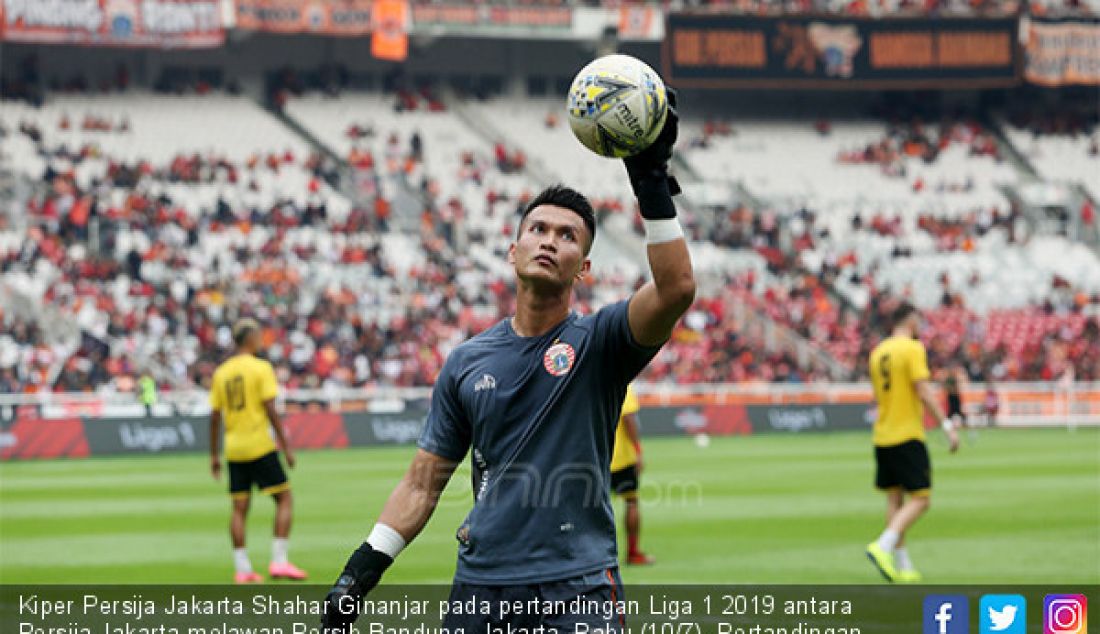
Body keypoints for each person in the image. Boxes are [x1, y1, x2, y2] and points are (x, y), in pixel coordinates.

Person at [322, 93, 693, 632]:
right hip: (483, 583)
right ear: (512, 249)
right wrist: (360, 572)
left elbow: (676, 288)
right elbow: (423, 484)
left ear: (583, 267)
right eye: (538, 230)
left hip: (579, 585)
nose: (550, 241)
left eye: (568, 236)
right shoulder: (467, 362)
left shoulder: (602, 341)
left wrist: (651, 182)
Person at [865, 302, 960, 583]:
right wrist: (945, 424)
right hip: (907, 433)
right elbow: (923, 391)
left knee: (895, 499)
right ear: (910, 320)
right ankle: (883, 546)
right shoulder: (912, 349)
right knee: (921, 499)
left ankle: (903, 566)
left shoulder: (878, 351)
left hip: (883, 434)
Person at [209, 319, 306, 584]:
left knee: (239, 509)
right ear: (250, 340)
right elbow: (270, 409)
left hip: (234, 449)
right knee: (284, 499)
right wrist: (286, 447)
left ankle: (242, 569)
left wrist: (214, 457)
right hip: (259, 445)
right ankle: (280, 561)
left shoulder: (221, 373)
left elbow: (215, 416)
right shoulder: (261, 368)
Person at [610, 383, 654, 565]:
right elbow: (628, 419)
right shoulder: (623, 384)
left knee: (589, 507)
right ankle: (633, 552)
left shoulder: (590, 381)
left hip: (595, 455)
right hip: (621, 457)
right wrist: (638, 450)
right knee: (631, 502)